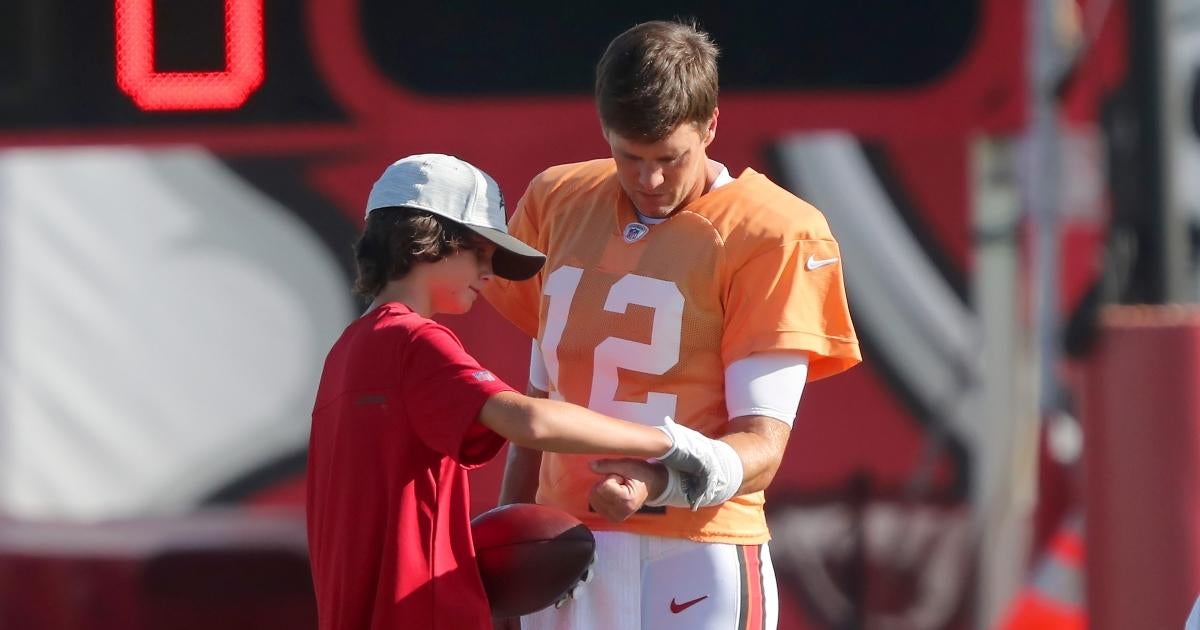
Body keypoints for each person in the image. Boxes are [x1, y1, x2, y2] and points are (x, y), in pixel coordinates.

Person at [482, 20, 862, 630]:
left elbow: (761, 448)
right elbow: (540, 400)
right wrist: (507, 537)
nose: (649, 180)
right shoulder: (559, 199)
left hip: (698, 548)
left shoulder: (772, 232)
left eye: (669, 158)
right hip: (565, 544)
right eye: (629, 156)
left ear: (711, 126)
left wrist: (657, 481)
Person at [305, 154, 733, 630]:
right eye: (481, 251)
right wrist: (671, 442)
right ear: (427, 241)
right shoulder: (414, 340)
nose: (489, 273)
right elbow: (530, 420)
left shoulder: (348, 350)